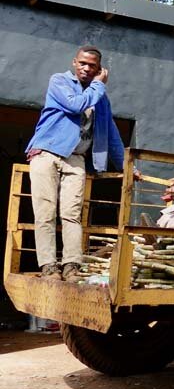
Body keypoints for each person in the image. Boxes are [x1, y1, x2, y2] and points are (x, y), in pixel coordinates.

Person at [25, 45, 125, 280]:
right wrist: (99, 84)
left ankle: (71, 265)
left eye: (92, 66)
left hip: (75, 159)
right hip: (47, 152)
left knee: (71, 214)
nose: (86, 68)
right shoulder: (59, 81)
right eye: (82, 63)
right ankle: (49, 265)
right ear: (74, 62)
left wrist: (125, 166)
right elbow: (75, 105)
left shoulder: (101, 98)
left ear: (99, 68)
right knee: (45, 212)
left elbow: (112, 134)